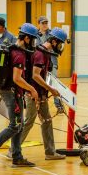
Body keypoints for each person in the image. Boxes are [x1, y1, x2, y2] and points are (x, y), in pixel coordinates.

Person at [0, 23, 39, 169]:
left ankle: (17, 156)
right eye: (32, 40)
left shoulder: (13, 48)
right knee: (15, 126)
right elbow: (17, 78)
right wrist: (32, 90)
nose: (33, 43)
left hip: (11, 92)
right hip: (11, 93)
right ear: (25, 38)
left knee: (20, 125)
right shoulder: (18, 54)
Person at [8, 27, 68, 160]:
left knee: (46, 121)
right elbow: (35, 76)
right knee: (29, 121)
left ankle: (50, 152)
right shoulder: (40, 53)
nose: (60, 46)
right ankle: (13, 150)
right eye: (60, 43)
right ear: (54, 42)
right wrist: (51, 89)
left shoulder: (45, 52)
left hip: (41, 95)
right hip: (33, 95)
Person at [37, 16, 64, 114]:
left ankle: (59, 106)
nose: (45, 25)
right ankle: (41, 102)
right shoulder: (35, 35)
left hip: (52, 62)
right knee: (41, 83)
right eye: (43, 23)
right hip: (40, 63)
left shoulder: (52, 34)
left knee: (54, 83)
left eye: (46, 23)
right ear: (39, 24)